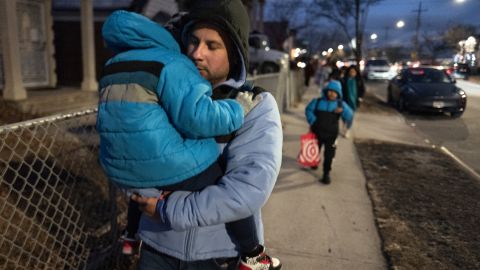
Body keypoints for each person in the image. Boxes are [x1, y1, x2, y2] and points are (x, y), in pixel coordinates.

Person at [97, 8, 281, 270]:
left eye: (212, 46)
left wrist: (166, 209)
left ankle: (253, 254)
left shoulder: (255, 104)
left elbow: (248, 190)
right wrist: (145, 195)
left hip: (219, 255)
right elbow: (127, 155)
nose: (197, 54)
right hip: (156, 248)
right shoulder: (159, 85)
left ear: (236, 51)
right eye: (193, 41)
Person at [305, 80, 354, 184]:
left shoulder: (340, 104)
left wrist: (343, 111)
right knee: (315, 150)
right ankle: (314, 162)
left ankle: (326, 173)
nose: (332, 94)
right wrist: (313, 120)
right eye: (330, 91)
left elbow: (350, 115)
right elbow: (308, 110)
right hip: (317, 132)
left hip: (331, 135)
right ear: (326, 91)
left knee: (329, 155)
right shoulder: (317, 101)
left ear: (338, 94)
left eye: (334, 92)